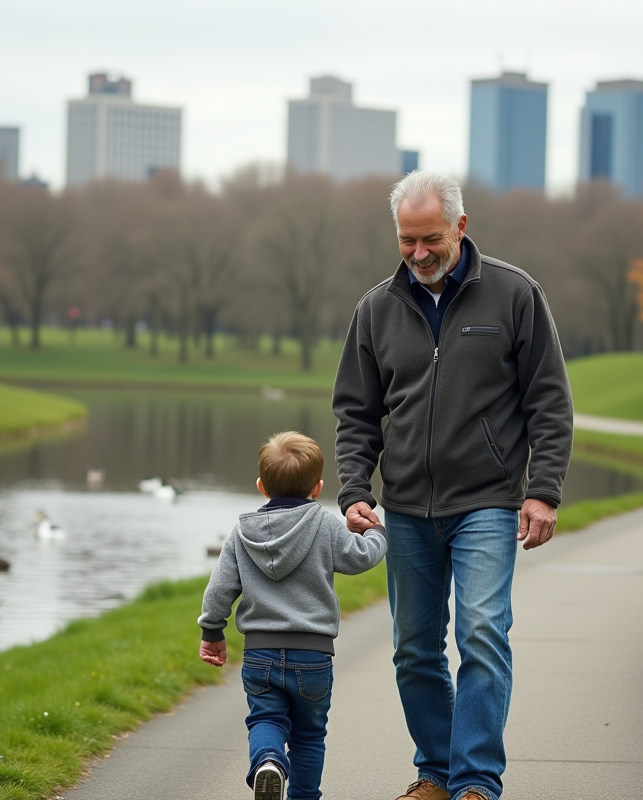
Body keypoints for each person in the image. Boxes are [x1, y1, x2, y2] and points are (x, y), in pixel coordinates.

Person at [333, 171, 574, 800]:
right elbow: (356, 412)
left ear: (461, 228)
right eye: (407, 240)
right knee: (414, 650)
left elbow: (549, 401)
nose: (419, 253)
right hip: (406, 507)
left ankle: (474, 782)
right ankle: (435, 773)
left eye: (431, 238)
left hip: (488, 502)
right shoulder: (375, 309)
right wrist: (355, 489)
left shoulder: (515, 295)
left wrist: (542, 490)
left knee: (481, 634)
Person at [198, 431, 387, 800]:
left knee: (265, 719)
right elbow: (361, 557)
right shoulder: (325, 524)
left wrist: (212, 631)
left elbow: (220, 589)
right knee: (309, 735)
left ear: (260, 485)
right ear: (317, 488)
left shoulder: (241, 534)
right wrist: (378, 532)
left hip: (260, 654)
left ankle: (268, 761)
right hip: (313, 655)